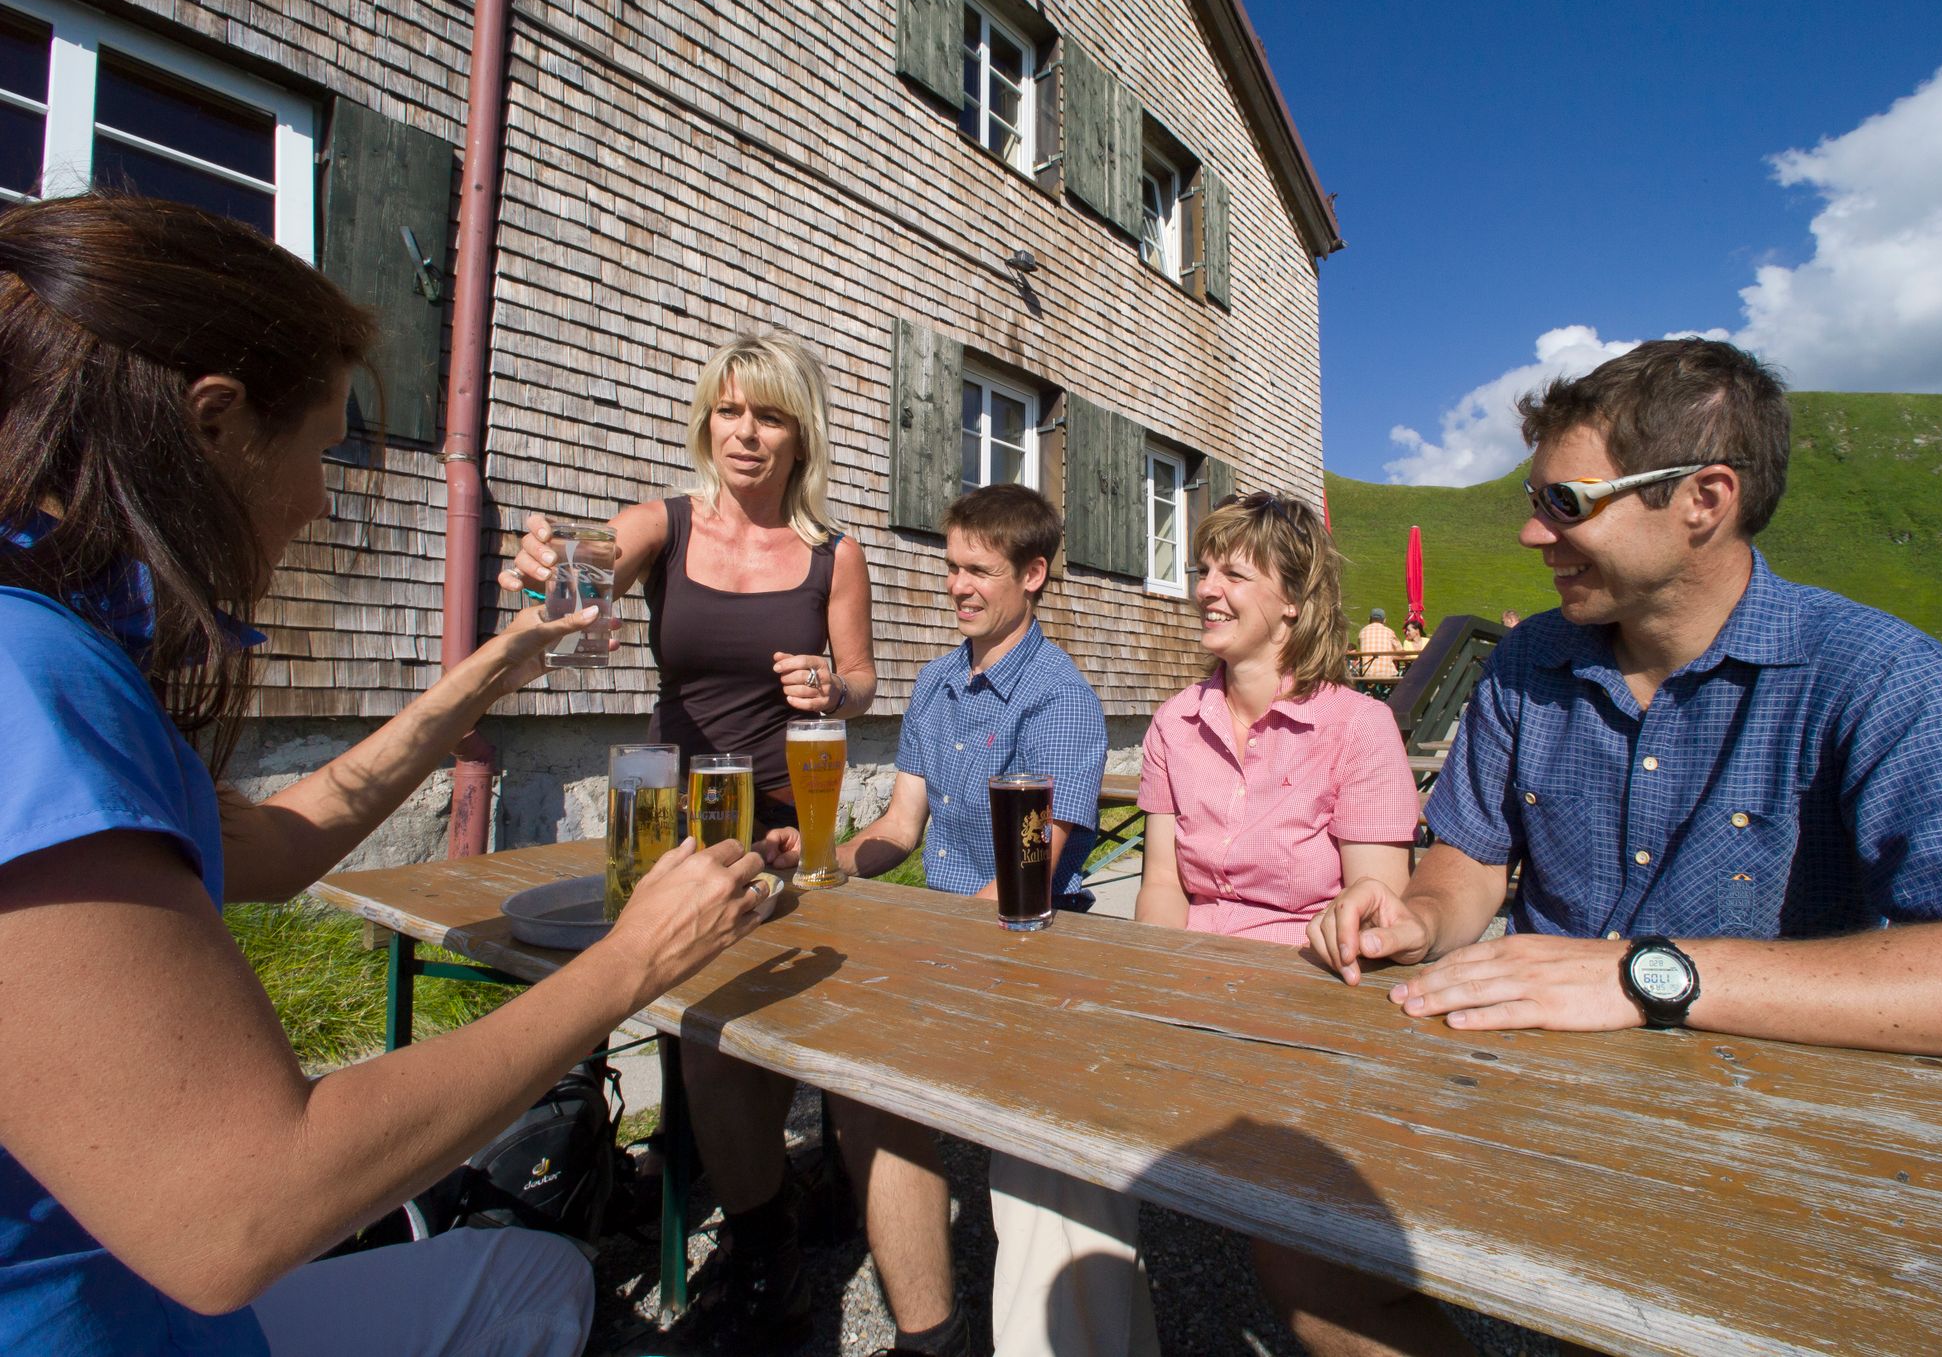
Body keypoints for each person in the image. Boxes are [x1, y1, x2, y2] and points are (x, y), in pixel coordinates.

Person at [0, 193, 782, 1357]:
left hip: (125, 1278)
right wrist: (631, 965)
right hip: (103, 1322)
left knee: (523, 1274)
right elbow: (240, 1208)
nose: (322, 500)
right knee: (541, 1289)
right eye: (321, 448)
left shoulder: (47, 626)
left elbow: (281, 838)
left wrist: (496, 666)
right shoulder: (35, 684)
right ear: (212, 423)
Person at [1304, 338, 1942, 1357]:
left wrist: (1646, 977)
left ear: (1704, 499)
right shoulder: (1529, 662)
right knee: (1301, 1247)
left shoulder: (1876, 676)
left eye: (1567, 502)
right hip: (1527, 1103)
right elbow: (1471, 863)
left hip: (1772, 1149)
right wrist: (1419, 916)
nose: (1532, 533)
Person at [499, 329, 877, 1348]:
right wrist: (552, 568)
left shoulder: (835, 554)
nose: (746, 434)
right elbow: (587, 569)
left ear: (802, 435)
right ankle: (743, 1202)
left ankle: (766, 1260)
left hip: (782, 821)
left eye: (769, 415)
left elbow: (863, 680)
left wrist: (829, 689)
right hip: (670, 819)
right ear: (708, 421)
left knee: (723, 1033)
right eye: (729, 410)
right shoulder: (666, 524)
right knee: (681, 1023)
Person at [806, 483, 1145, 1357]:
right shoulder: (935, 682)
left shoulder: (1060, 699)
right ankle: (919, 1293)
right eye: (950, 564)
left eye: (977, 569)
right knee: (845, 1059)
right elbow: (897, 829)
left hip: (1031, 949)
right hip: (951, 941)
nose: (956, 584)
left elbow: (1031, 874)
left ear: (1032, 574)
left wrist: (919, 943)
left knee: (872, 1049)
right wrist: (812, 861)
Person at [1130, 493, 1420, 1347]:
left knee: (1300, 1273)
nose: (1206, 588)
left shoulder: (1358, 726)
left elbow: (1374, 907)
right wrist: (1143, 993)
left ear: (1293, 596)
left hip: (1305, 999)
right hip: (1189, 989)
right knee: (1045, 1142)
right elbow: (1159, 887)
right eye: (1203, 569)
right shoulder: (1172, 724)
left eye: (1233, 572)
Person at [1355, 604, 1399, 679]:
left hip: (1365, 672)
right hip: (1387, 673)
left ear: (1369, 619)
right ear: (1384, 620)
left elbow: (1360, 644)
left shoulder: (1363, 631)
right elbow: (1400, 652)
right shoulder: (1389, 632)